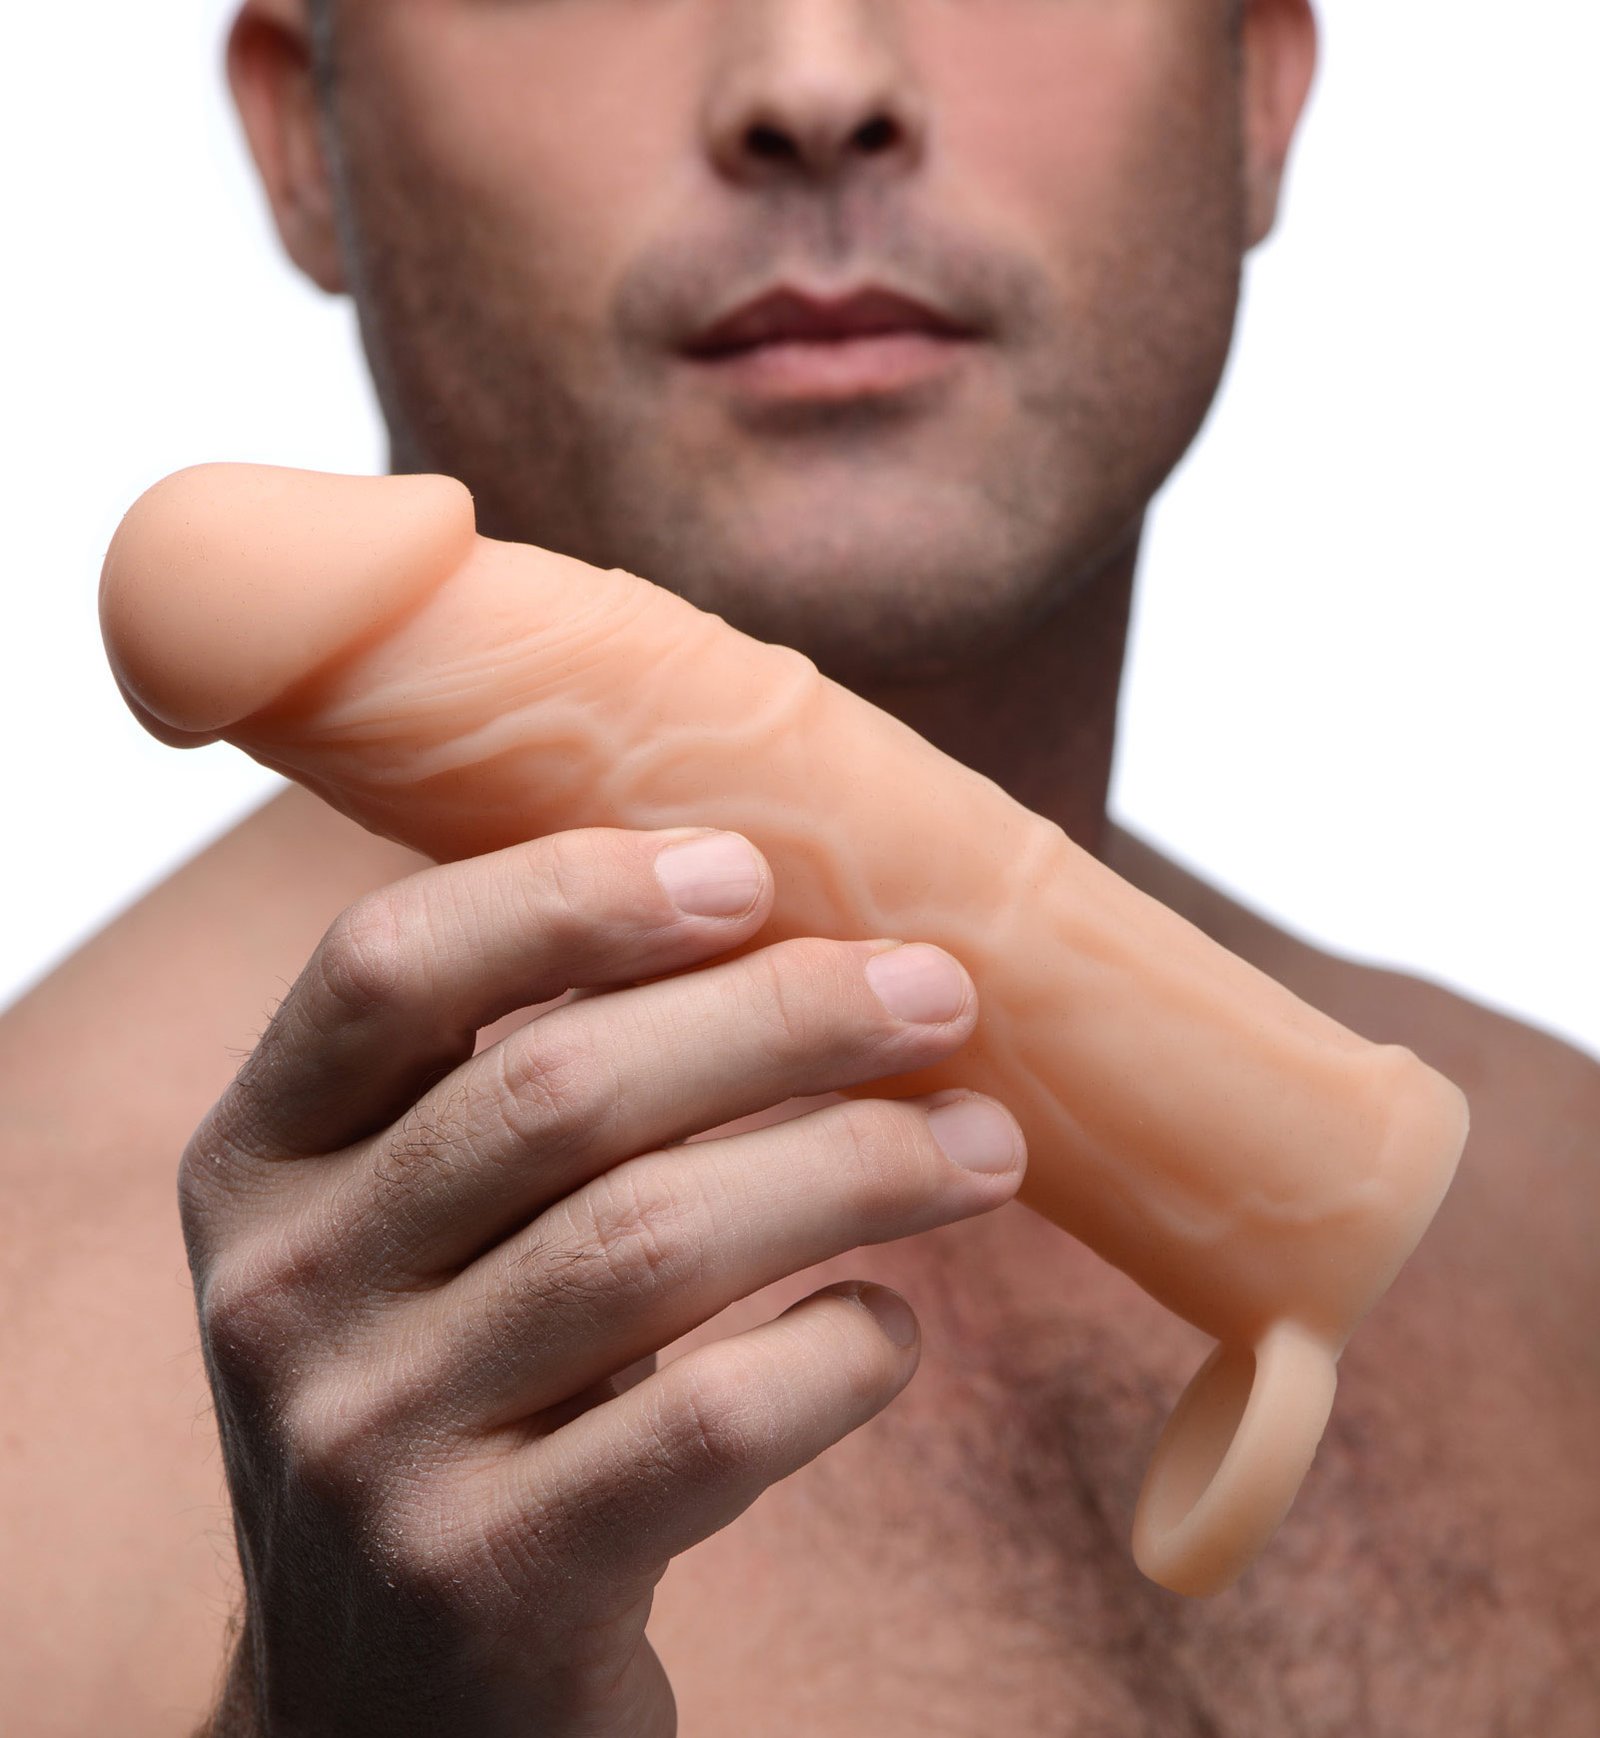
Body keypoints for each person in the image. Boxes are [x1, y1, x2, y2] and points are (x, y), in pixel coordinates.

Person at [2, 0, 1595, 1732]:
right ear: (299, 133)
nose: (817, 81)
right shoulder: (33, 1412)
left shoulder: (1566, 1209)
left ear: (1260, 86)